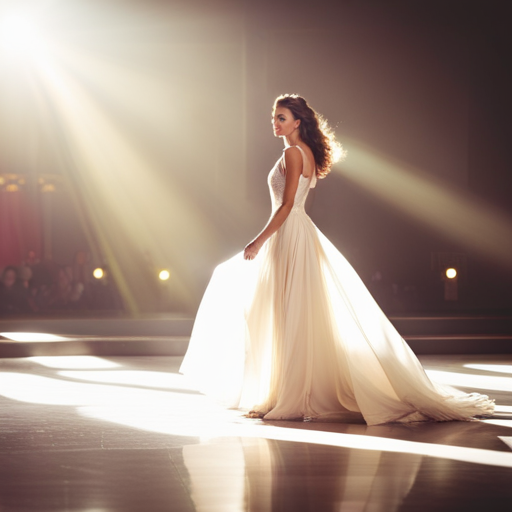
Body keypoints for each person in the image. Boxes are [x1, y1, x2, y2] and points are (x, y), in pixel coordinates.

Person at [180, 94, 494, 425]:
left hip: (289, 234)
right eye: (274, 117)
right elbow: (300, 206)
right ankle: (275, 392)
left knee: (284, 313)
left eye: (282, 118)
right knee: (287, 314)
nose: (275, 123)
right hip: (297, 233)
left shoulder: (292, 153)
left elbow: (287, 206)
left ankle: (284, 395)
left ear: (297, 122)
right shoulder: (307, 154)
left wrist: (258, 241)